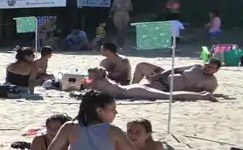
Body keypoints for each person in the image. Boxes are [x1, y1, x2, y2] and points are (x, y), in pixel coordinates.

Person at [86, 67, 215, 102]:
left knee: (169, 96)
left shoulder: (96, 82)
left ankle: (204, 96)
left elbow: (84, 86)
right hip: (130, 89)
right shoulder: (101, 79)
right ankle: (202, 95)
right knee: (168, 95)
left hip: (131, 92)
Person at [130, 58, 222, 94]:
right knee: (141, 65)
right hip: (164, 77)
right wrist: (162, 74)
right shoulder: (197, 67)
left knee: (138, 88)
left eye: (211, 68)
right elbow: (177, 69)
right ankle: (131, 85)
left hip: (166, 88)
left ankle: (128, 89)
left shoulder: (211, 82)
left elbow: (206, 95)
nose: (207, 68)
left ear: (216, 70)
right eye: (207, 65)